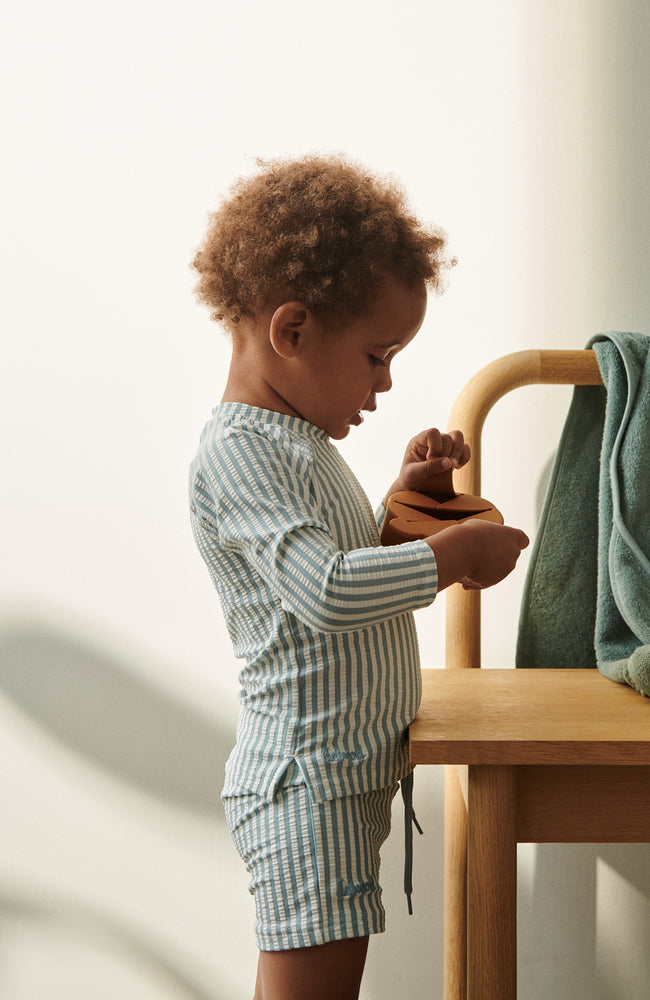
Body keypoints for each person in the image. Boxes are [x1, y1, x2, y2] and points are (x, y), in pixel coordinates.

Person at [188, 154, 529, 1000]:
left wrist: (405, 507)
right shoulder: (240, 455)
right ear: (292, 331)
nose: (384, 383)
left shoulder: (299, 446)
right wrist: (448, 560)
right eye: (377, 356)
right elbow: (328, 593)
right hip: (305, 781)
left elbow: (343, 566)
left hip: (342, 776)